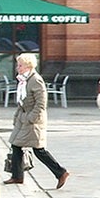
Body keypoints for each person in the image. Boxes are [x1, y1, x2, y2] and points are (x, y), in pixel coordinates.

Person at [5, 52, 71, 189]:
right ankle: (17, 176)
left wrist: (31, 118)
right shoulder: (24, 80)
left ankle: (61, 172)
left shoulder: (35, 80)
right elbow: (22, 102)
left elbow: (41, 103)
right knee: (16, 145)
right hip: (23, 119)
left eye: (20, 65)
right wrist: (17, 117)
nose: (18, 68)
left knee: (38, 149)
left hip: (33, 121)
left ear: (28, 66)